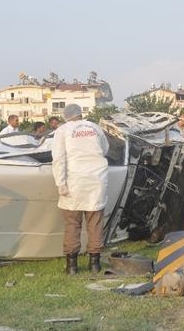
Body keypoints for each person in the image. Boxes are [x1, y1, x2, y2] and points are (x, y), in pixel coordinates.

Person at [51, 103, 109, 275]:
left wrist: (60, 183)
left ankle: (72, 267)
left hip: (74, 181)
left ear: (65, 116)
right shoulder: (96, 128)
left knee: (72, 224)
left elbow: (59, 159)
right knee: (95, 224)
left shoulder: (63, 131)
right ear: (80, 114)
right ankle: (95, 265)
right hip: (97, 181)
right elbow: (105, 149)